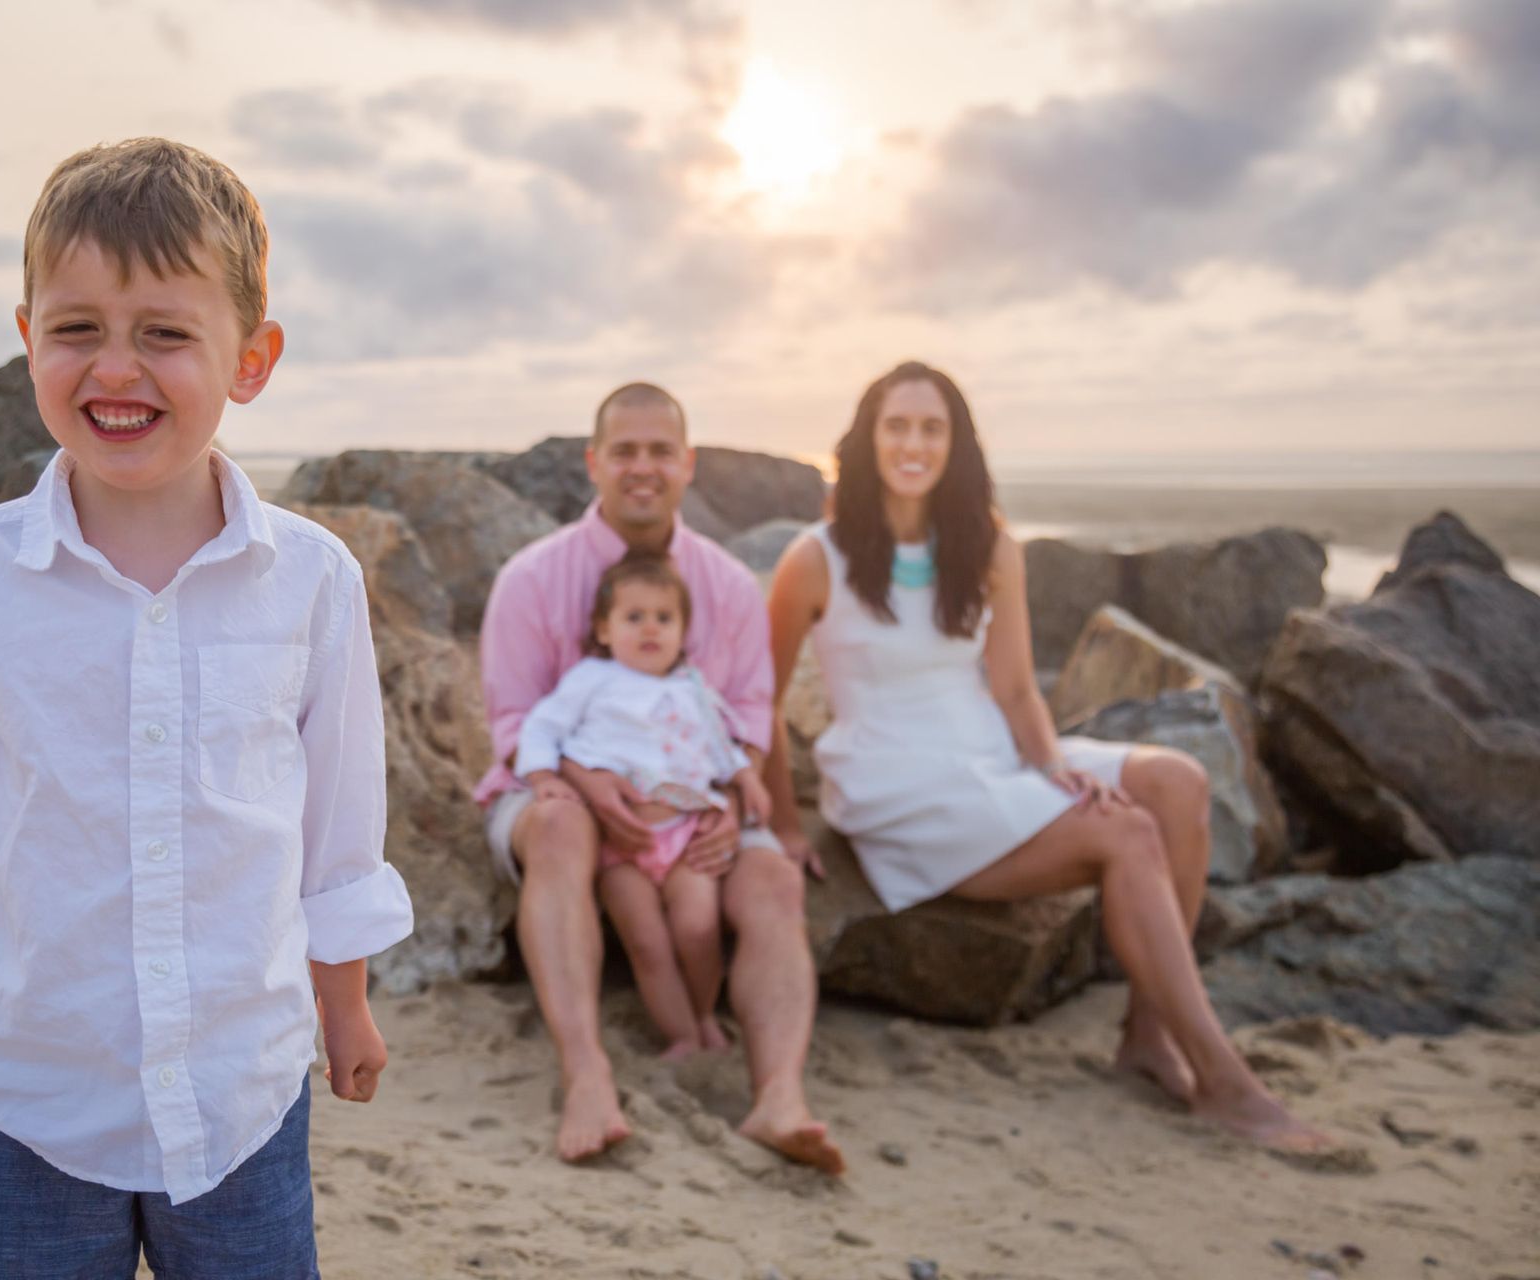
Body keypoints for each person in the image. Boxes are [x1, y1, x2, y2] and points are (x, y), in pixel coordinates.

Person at [0, 138, 415, 1279]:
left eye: (164, 332)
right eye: (76, 329)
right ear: (26, 340)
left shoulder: (312, 577)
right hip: (34, 1082)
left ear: (251, 358)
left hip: (242, 1087)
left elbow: (336, 817)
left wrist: (342, 998)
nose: (116, 368)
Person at [763, 360, 1329, 1151]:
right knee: (1125, 835)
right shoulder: (816, 558)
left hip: (990, 752)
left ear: (957, 444)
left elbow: (1018, 688)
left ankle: (1147, 1037)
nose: (914, 444)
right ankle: (1227, 1083)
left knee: (1177, 782)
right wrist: (787, 826)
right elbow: (761, 696)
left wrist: (1052, 767)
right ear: (866, 440)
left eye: (933, 428)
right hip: (902, 785)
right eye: (897, 426)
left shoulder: (988, 545)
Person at [477, 383, 843, 1174]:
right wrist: (587, 781)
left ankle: (779, 1094)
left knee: (773, 880)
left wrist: (736, 796)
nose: (643, 468)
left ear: (688, 464)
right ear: (594, 463)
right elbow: (514, 730)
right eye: (625, 451)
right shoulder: (533, 579)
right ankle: (588, 1074)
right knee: (565, 822)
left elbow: (748, 715)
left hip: (695, 801)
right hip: (556, 790)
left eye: (660, 452)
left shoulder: (728, 588)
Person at [515, 552, 774, 1061]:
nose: (650, 629)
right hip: (621, 841)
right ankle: (680, 1034)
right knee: (648, 944)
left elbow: (722, 743)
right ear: (604, 629)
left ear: (683, 630)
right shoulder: (592, 678)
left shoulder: (691, 686)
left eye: (664, 618)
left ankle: (702, 1014)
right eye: (634, 617)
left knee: (697, 928)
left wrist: (747, 779)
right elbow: (543, 726)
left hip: (683, 833)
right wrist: (543, 776)